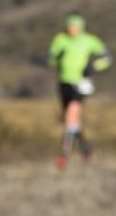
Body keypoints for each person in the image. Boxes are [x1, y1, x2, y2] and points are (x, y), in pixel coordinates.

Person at [47, 12, 111, 167]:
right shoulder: (60, 40)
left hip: (81, 83)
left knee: (71, 114)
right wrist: (54, 58)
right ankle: (85, 148)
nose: (72, 29)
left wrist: (93, 67)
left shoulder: (90, 41)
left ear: (81, 27)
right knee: (72, 120)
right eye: (69, 26)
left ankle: (63, 154)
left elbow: (107, 59)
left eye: (75, 26)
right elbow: (50, 60)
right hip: (64, 82)